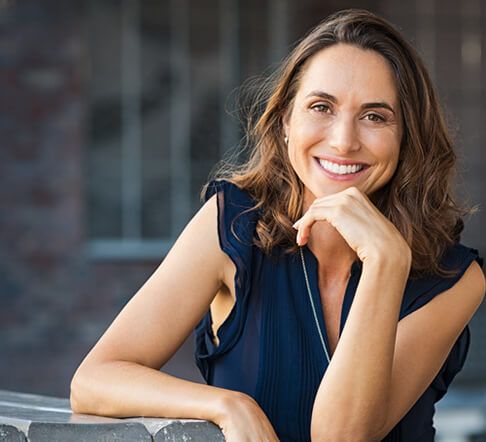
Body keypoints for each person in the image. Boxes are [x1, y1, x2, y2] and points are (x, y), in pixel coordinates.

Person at [70, 9, 485, 442]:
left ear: (407, 137)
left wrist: (386, 263)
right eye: (321, 107)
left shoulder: (455, 278)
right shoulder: (232, 223)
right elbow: (94, 380)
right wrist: (228, 405)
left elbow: (341, 436)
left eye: (375, 116)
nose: (344, 140)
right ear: (286, 121)